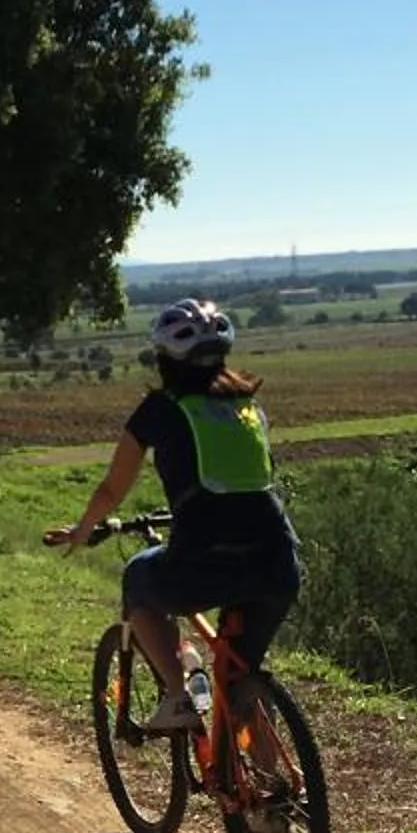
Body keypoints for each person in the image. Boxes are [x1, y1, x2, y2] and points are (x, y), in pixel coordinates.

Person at [46, 298, 301, 727]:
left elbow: (111, 489)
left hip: (203, 560)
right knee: (240, 676)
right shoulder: (249, 409)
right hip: (277, 563)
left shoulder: (159, 410)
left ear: (164, 359)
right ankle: (279, 786)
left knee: (138, 578)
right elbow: (242, 485)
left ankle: (179, 697)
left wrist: (81, 531)